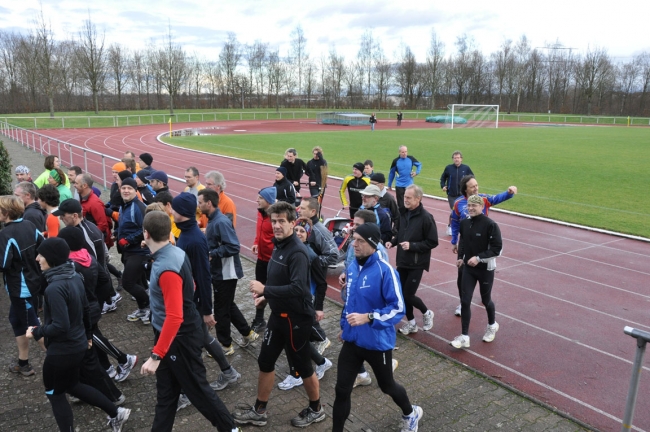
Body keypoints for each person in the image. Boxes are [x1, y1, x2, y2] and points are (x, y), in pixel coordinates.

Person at [139, 211, 239, 432]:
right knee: (166, 394)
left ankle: (230, 429)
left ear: (146, 233)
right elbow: (191, 286)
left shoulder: (166, 269)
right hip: (170, 337)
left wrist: (157, 355)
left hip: (179, 339)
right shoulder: (173, 251)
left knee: (199, 392)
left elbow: (175, 316)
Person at [233, 201, 325, 428]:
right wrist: (268, 297)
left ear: (293, 223)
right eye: (273, 221)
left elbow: (298, 289)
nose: (276, 225)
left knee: (303, 366)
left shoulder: (298, 252)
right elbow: (280, 280)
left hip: (296, 320)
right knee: (265, 361)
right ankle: (259, 410)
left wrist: (265, 290)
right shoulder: (280, 244)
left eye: (281, 221)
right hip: (278, 316)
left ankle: (317, 409)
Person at [27, 237, 130, 432]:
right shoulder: (74, 276)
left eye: (41, 255)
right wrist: (88, 336)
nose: (38, 258)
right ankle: (117, 413)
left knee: (55, 394)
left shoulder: (54, 288)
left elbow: (60, 326)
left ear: (52, 258)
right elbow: (85, 309)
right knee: (73, 385)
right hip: (78, 346)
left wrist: (36, 331)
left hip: (61, 352)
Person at [333, 223, 423, 432]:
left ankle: (411, 413)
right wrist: (344, 326)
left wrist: (370, 317)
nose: (354, 244)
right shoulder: (353, 266)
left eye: (360, 241)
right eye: (354, 239)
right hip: (353, 340)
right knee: (341, 390)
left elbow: (398, 309)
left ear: (373, 245)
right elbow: (351, 302)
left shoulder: (386, 271)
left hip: (377, 343)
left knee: (387, 386)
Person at [171, 193, 242, 412]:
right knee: (201, 338)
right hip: (190, 299)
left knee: (189, 349)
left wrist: (206, 309)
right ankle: (229, 372)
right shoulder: (187, 234)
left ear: (182, 213)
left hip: (192, 302)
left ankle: (188, 393)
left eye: (173, 209)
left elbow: (203, 275)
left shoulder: (193, 239)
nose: (171, 212)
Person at [57, 227, 129, 403]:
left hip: (84, 311)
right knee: (93, 342)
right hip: (92, 305)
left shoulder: (72, 266)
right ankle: (108, 369)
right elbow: (105, 280)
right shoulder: (87, 256)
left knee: (90, 343)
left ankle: (122, 361)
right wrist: (97, 299)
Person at [199, 189, 258, 355]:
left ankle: (225, 345)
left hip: (225, 273)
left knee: (221, 310)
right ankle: (247, 333)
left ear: (208, 203)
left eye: (200, 202)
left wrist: (212, 254)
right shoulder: (213, 220)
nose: (199, 205)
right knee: (227, 305)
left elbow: (233, 246)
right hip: (220, 272)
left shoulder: (220, 222)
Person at [276, 218, 333, 391]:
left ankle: (297, 375)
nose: (299, 233)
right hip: (288, 302)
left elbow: (322, 283)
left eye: (303, 231)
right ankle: (322, 362)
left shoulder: (310, 255)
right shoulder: (288, 249)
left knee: (292, 339)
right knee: (295, 340)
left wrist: (319, 307)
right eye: (297, 230)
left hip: (302, 305)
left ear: (308, 235)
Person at [450, 175, 517, 317]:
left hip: (483, 244)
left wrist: (509, 193)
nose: (476, 188)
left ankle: (485, 297)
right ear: (465, 189)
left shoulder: (483, 199)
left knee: (483, 274)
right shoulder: (458, 203)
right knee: (462, 274)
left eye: (477, 185)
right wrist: (454, 240)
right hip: (466, 244)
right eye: (472, 186)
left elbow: (497, 198)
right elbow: (455, 221)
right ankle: (463, 303)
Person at [451, 195, 503, 349]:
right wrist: (461, 257)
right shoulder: (465, 223)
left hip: (485, 269)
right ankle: (464, 336)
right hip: (468, 268)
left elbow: (496, 248)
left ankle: (492, 325)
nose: (471, 208)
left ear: (482, 207)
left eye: (475, 205)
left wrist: (479, 258)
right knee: (465, 301)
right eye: (469, 205)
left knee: (486, 300)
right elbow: (463, 241)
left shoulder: (491, 225)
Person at [0, 195, 43, 377]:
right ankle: (23, 363)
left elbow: (2, 264)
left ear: (6, 213)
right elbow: (43, 246)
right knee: (16, 321)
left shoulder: (5, 234)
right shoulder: (29, 225)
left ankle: (72, 369)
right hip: (33, 284)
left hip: (21, 290)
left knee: (35, 329)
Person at [386, 184, 438, 335]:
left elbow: (432, 241)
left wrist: (413, 245)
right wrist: (393, 241)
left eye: (408, 197)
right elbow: (401, 233)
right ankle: (412, 323)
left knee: (408, 294)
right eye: (404, 197)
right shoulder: (403, 213)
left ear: (418, 199)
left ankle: (427, 312)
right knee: (401, 295)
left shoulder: (426, 218)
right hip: (402, 260)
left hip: (417, 263)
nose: (405, 200)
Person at [116, 178, 151, 324]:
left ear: (135, 190)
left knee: (128, 282)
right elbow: (124, 225)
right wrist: (116, 233)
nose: (126, 191)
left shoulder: (138, 207)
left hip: (139, 251)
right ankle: (143, 309)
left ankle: (150, 307)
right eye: (123, 188)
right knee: (138, 282)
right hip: (128, 251)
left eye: (129, 188)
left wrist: (128, 239)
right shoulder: (124, 205)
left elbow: (145, 229)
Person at [250, 187, 276, 333]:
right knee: (258, 291)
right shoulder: (260, 213)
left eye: (260, 198)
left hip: (273, 262)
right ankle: (259, 320)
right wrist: (255, 242)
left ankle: (276, 322)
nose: (257, 200)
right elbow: (258, 230)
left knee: (272, 292)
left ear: (268, 201)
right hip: (261, 259)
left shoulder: (275, 217)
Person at [440, 151, 474, 236]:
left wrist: (470, 188)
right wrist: (443, 186)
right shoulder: (448, 168)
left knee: (464, 211)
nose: (456, 159)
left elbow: (472, 178)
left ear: (461, 159)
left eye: (458, 158)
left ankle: (464, 227)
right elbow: (443, 178)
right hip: (452, 195)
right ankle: (450, 226)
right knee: (454, 211)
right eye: (455, 158)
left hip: (462, 195)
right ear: (453, 159)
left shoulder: (466, 168)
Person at [76, 173, 111, 241]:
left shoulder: (94, 203)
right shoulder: (82, 198)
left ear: (84, 185)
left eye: (76, 183)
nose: (74, 185)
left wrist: (89, 236)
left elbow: (102, 225)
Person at [388, 146, 422, 211]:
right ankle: (402, 219)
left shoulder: (411, 158)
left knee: (411, 203)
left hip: (409, 185)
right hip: (399, 185)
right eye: (403, 152)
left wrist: (417, 172)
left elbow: (419, 164)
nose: (404, 153)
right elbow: (392, 173)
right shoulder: (396, 161)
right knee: (401, 205)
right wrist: (389, 184)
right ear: (399, 152)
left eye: (406, 152)